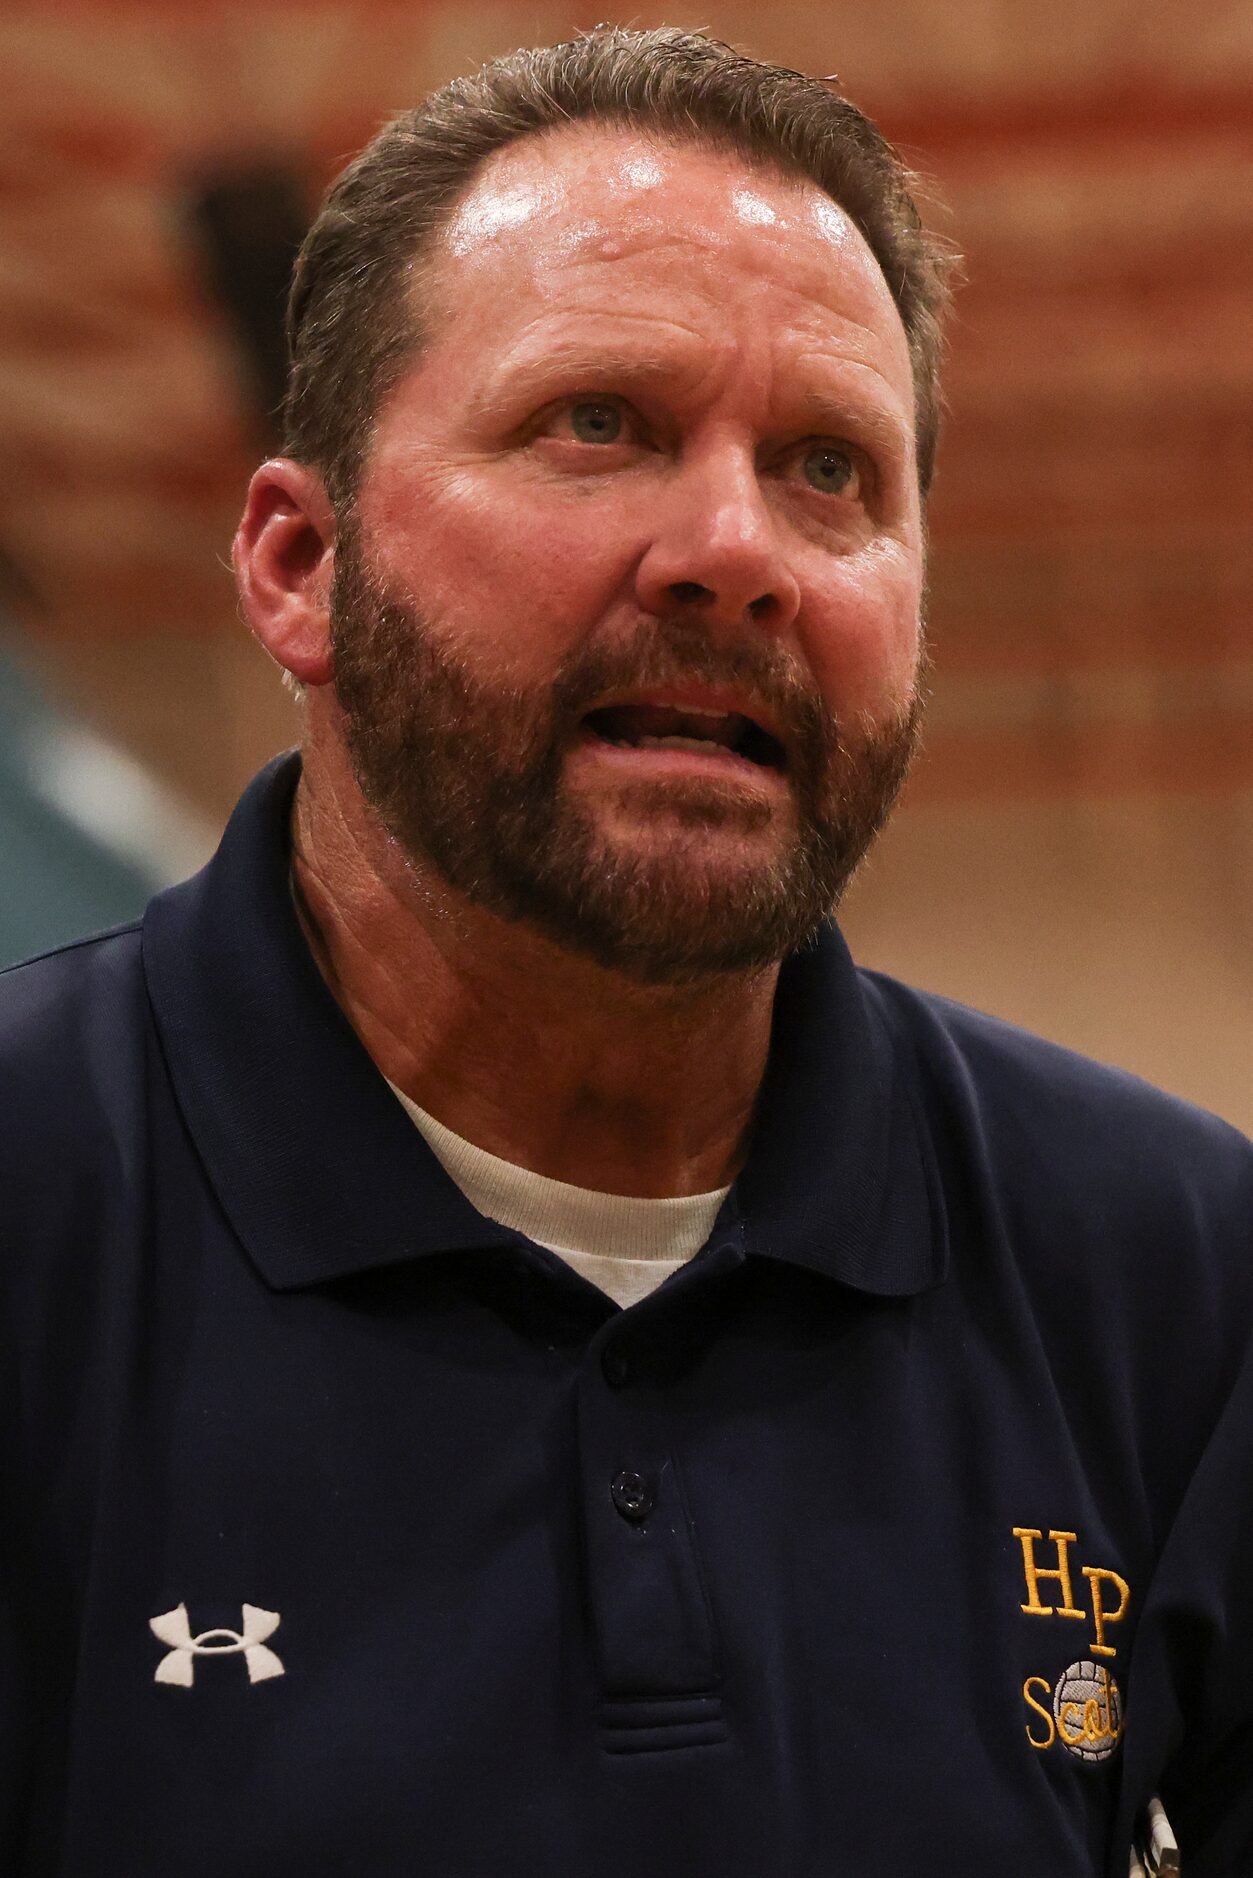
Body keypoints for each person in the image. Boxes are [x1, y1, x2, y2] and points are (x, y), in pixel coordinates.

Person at [2, 27, 1250, 1876]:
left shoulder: (1174, 1278)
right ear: (298, 564)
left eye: (833, 469)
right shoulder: (40, 1203)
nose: (735, 551)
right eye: (599, 425)